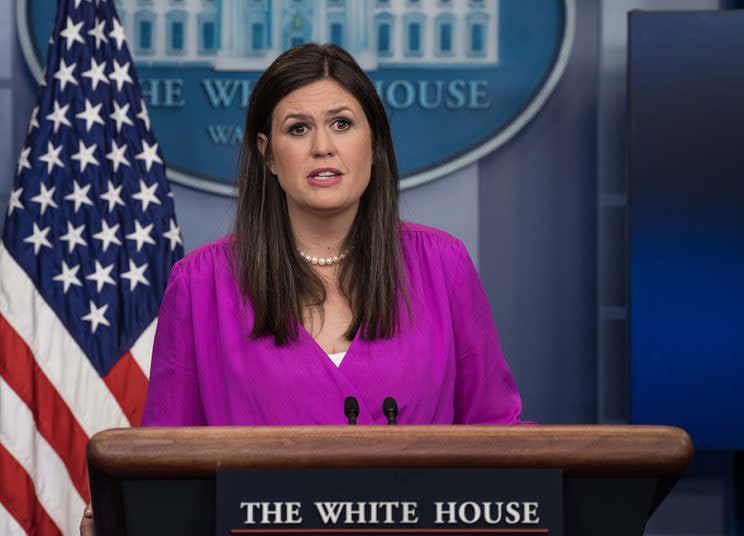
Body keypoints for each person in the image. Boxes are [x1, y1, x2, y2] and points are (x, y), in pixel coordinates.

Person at [81, 42, 523, 534]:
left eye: (342, 123)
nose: (322, 147)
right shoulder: (200, 284)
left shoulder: (443, 266)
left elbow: (497, 439)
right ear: (267, 154)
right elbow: (166, 465)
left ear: (373, 142)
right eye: (298, 129)